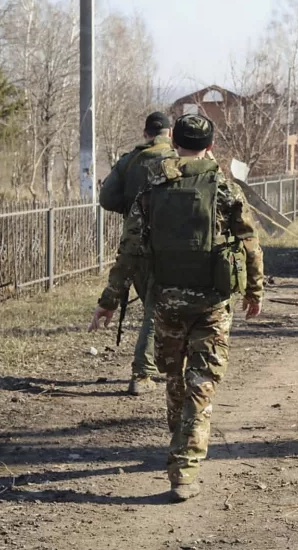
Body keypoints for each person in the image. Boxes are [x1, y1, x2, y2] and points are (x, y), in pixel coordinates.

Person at [89, 114, 265, 502]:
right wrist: (254, 291)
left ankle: (179, 444)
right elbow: (250, 242)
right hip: (213, 302)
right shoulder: (224, 187)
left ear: (175, 143)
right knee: (201, 384)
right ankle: (185, 466)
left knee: (175, 379)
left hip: (166, 300)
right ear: (211, 146)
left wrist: (109, 301)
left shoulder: (153, 187)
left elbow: (130, 250)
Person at [98, 111, 176, 395]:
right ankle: (142, 373)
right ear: (169, 133)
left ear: (145, 133)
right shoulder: (177, 159)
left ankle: (157, 366)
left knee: (153, 307)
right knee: (156, 310)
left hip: (135, 246)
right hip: (170, 246)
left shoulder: (129, 161)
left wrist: (132, 208)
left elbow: (107, 198)